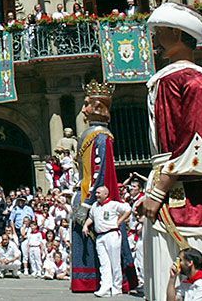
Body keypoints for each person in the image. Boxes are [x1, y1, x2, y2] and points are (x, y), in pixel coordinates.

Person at [141, 3, 202, 301]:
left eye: (159, 32)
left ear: (175, 33)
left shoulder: (192, 79)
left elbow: (197, 147)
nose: (154, 39)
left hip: (185, 189)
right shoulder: (172, 77)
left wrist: (160, 189)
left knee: (184, 266)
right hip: (169, 179)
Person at [70, 80, 134, 294]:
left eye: (87, 104)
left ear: (98, 107)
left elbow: (101, 171)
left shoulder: (101, 137)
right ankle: (89, 280)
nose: (83, 109)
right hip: (84, 191)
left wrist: (89, 203)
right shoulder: (90, 135)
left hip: (93, 196)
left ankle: (104, 280)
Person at [83, 186, 131, 297]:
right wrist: (86, 225)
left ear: (106, 194)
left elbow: (128, 209)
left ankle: (117, 287)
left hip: (112, 235)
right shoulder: (95, 205)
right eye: (96, 193)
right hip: (100, 237)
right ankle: (105, 287)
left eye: (99, 193)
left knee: (115, 262)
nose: (96, 195)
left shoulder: (113, 204)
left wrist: (119, 221)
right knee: (104, 264)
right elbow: (91, 217)